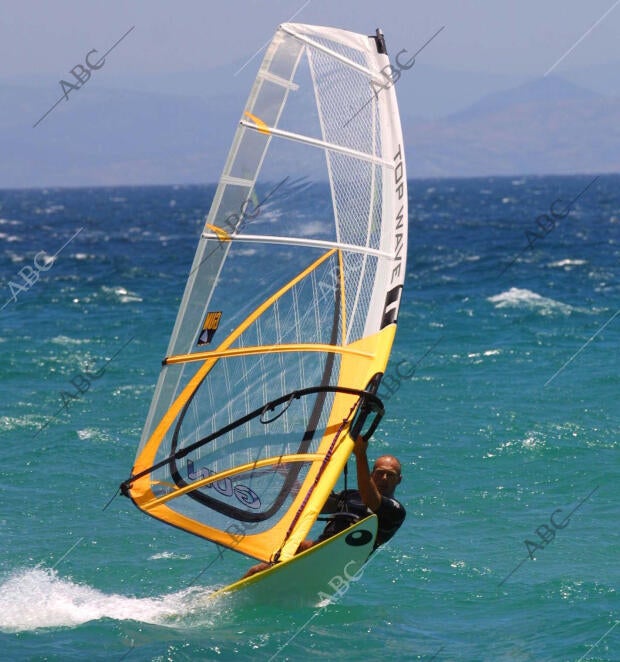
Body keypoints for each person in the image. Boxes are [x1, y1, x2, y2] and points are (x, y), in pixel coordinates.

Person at [243, 435, 405, 577]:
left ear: (399, 480)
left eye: (390, 475)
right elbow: (318, 505)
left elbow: (371, 500)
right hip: (319, 550)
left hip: (343, 563)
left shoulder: (395, 510)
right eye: (380, 473)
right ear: (372, 474)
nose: (384, 478)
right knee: (256, 570)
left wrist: (360, 454)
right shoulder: (351, 495)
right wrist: (288, 475)